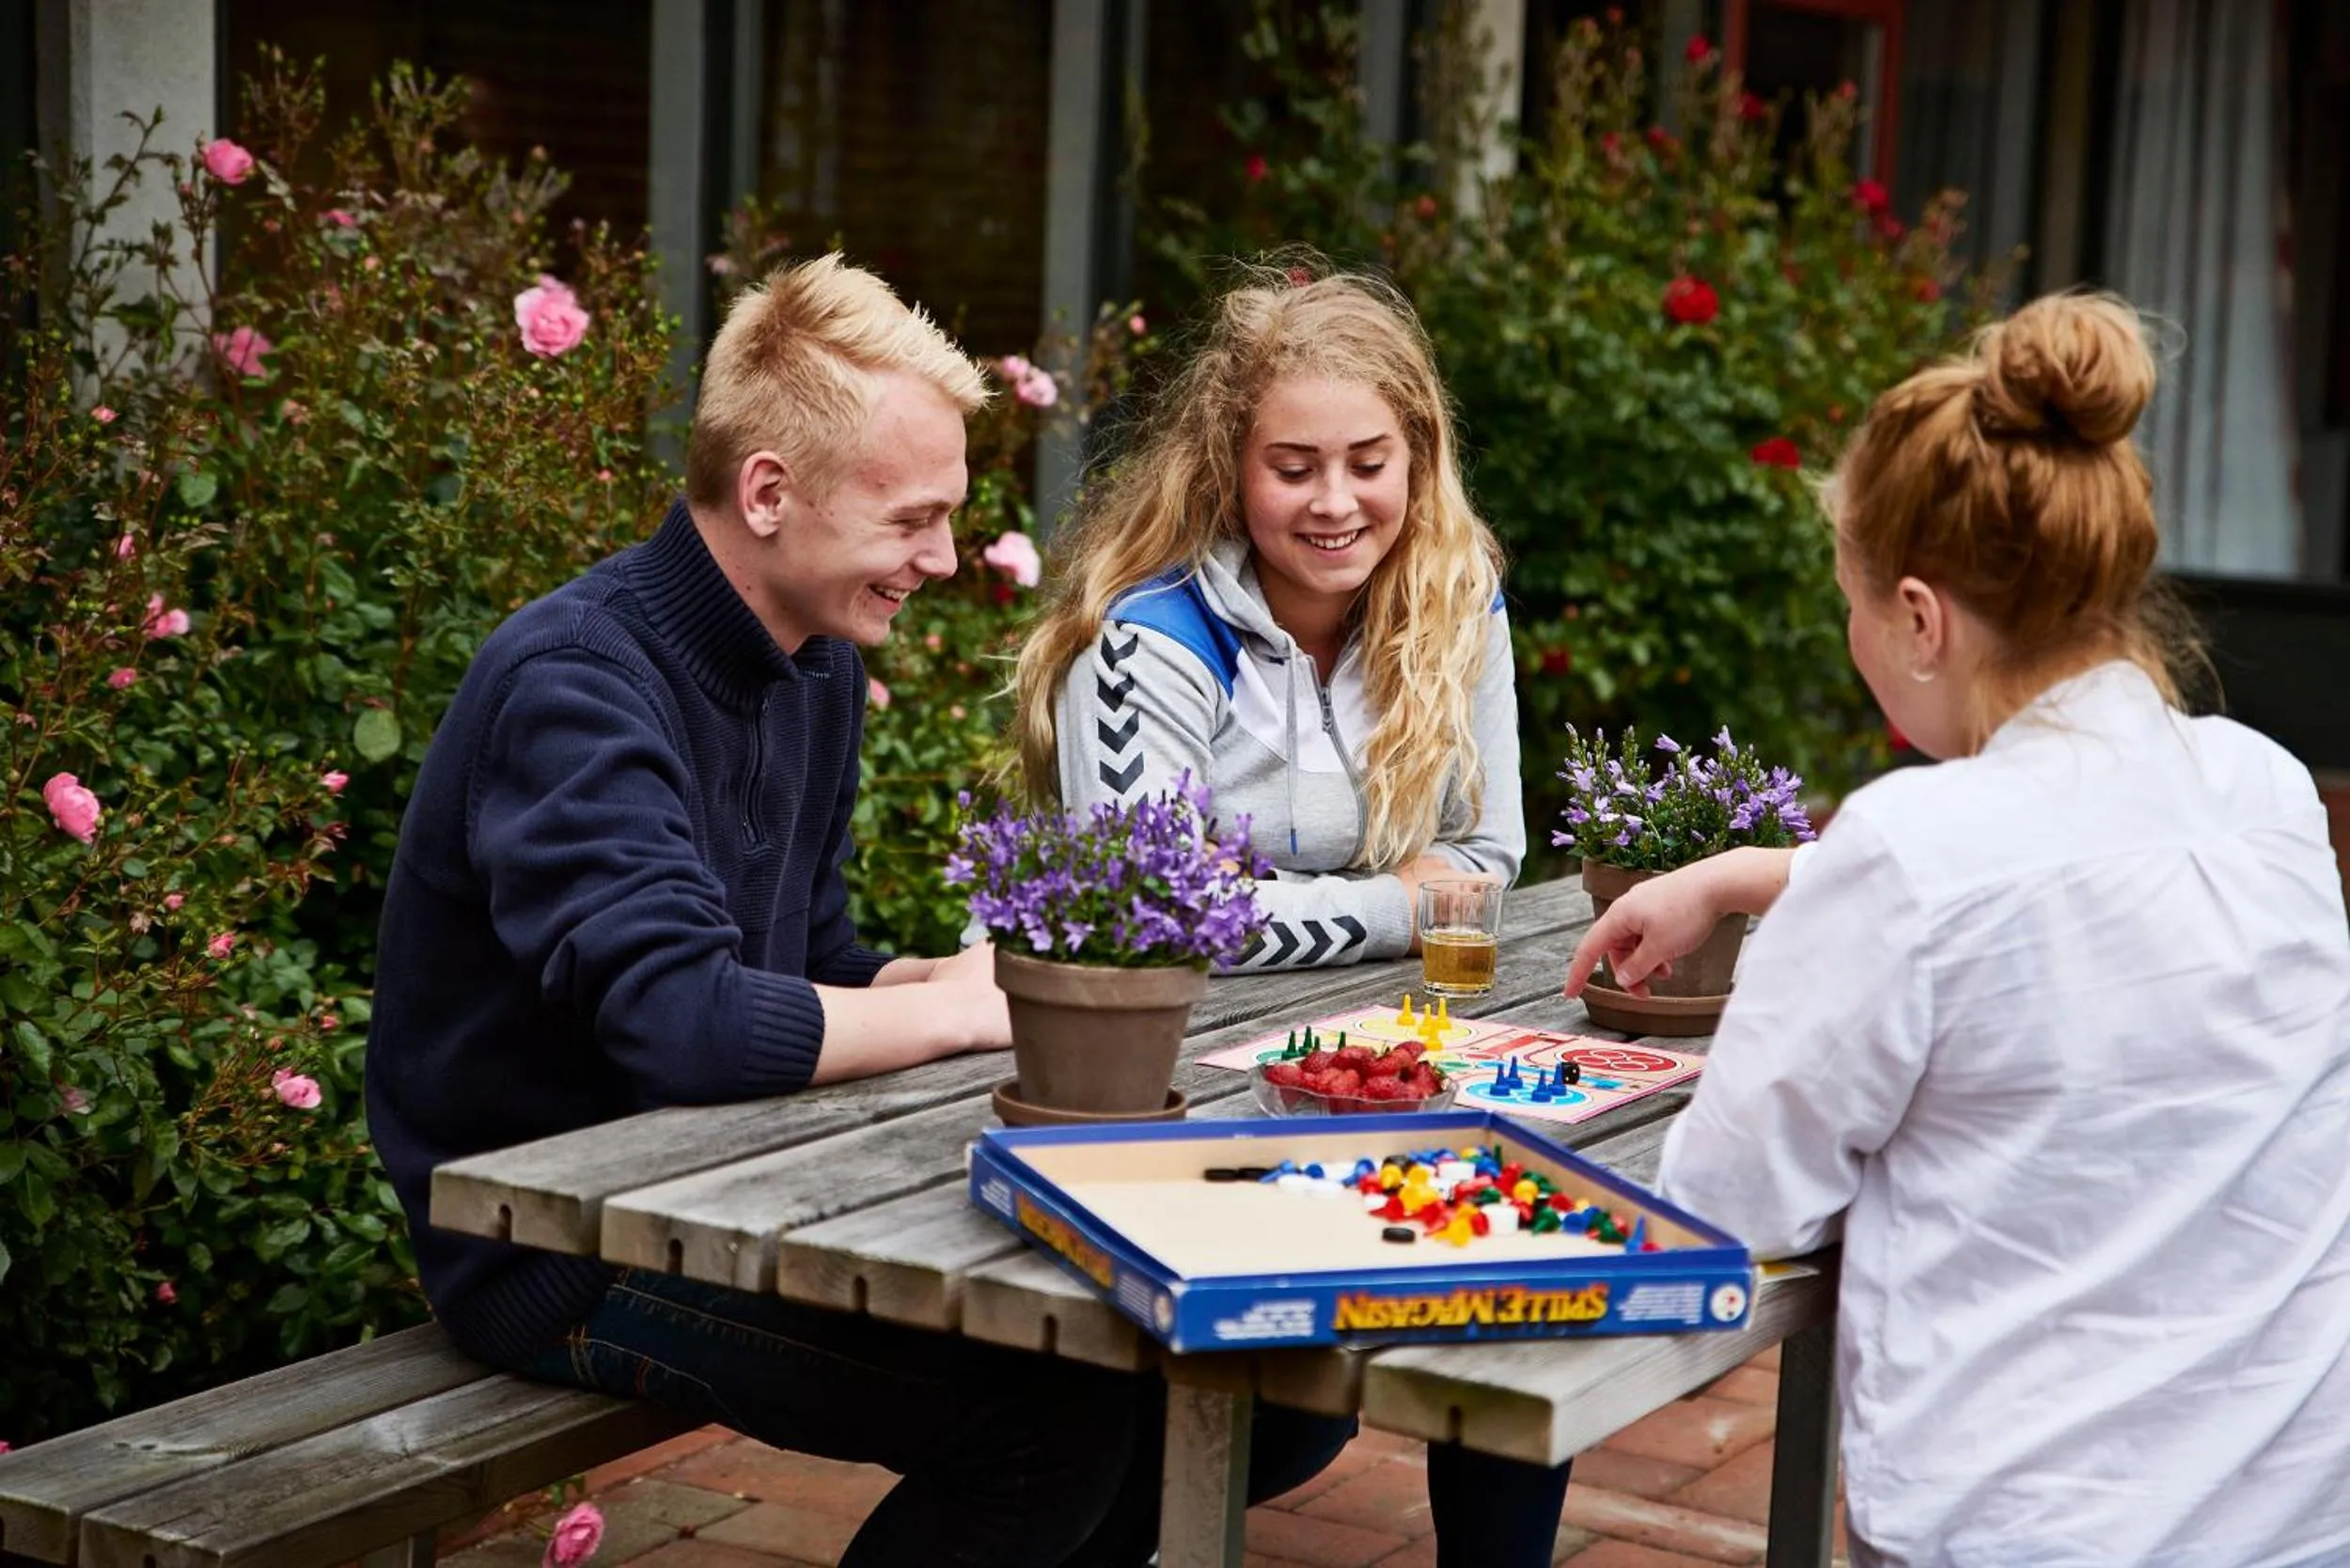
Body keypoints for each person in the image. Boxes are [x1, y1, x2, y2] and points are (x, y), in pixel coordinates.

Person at [366, 254, 1340, 1566]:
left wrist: (956, 979)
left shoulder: (810, 664)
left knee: (1243, 1386)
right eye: (911, 518)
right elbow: (680, 1023)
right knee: (1051, 1413)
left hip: (735, 1185)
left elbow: (808, 957)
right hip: (560, 1250)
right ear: (769, 492)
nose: (941, 557)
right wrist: (954, 1011)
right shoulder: (575, 685)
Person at [1564, 293, 2350, 1568]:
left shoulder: (1908, 854)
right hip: (2295, 1514)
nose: (1858, 640)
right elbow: (2064, 874)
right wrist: (1761, 872)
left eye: (1855, 607)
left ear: (1922, 620)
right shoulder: (2265, 789)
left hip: (2026, 1525)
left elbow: (1726, 1206)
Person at [1013, 264, 1568, 1567]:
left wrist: (1334, 903)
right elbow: (1159, 919)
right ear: (1231, 466)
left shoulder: (1455, 597)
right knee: (1264, 1419)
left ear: (1418, 457)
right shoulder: (1148, 646)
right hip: (1167, 1082)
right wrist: (1397, 898)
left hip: (1383, 1062)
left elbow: (1490, 853)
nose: (1335, 503)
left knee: (1515, 1281)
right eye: (1294, 465)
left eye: (1369, 461)